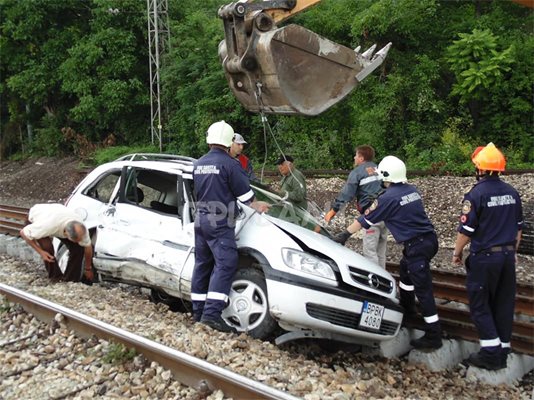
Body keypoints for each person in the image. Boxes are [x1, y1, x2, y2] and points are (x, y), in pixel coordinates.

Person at [334, 156, 442, 350]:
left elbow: (364, 220)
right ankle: (408, 310)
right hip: (428, 241)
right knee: (405, 273)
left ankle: (434, 334)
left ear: (386, 175)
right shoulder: (412, 190)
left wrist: (344, 235)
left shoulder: (387, 198)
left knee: (423, 289)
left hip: (417, 245)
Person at [191, 120, 270, 333]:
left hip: (201, 219)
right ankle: (211, 315)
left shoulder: (198, 164)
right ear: (228, 141)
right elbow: (246, 197)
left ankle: (198, 312)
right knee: (226, 263)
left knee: (202, 264)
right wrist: (259, 204)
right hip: (220, 220)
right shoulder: (230, 164)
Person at [453, 143, 523, 370]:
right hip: (507, 256)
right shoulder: (512, 193)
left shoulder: (476, 194)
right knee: (503, 304)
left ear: (481, 169)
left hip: (485, 258)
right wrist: (512, 253)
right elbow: (518, 229)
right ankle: (502, 351)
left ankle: (490, 355)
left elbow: (466, 231)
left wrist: (456, 253)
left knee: (480, 304)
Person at [324, 145, 388, 268]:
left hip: (371, 216)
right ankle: (383, 276)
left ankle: (375, 283)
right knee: (381, 252)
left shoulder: (358, 172)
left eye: (356, 155)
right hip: (386, 214)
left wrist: (333, 211)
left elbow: (346, 194)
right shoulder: (379, 169)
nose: (354, 158)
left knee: (370, 253)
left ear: (361, 158)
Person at [19, 203, 93, 283]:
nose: (80, 241)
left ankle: (71, 280)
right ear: (65, 233)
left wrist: (88, 268)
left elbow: (87, 247)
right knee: (47, 248)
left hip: (57, 215)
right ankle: (55, 277)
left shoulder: (82, 229)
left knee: (78, 248)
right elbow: (23, 233)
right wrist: (41, 252)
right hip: (38, 216)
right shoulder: (46, 226)